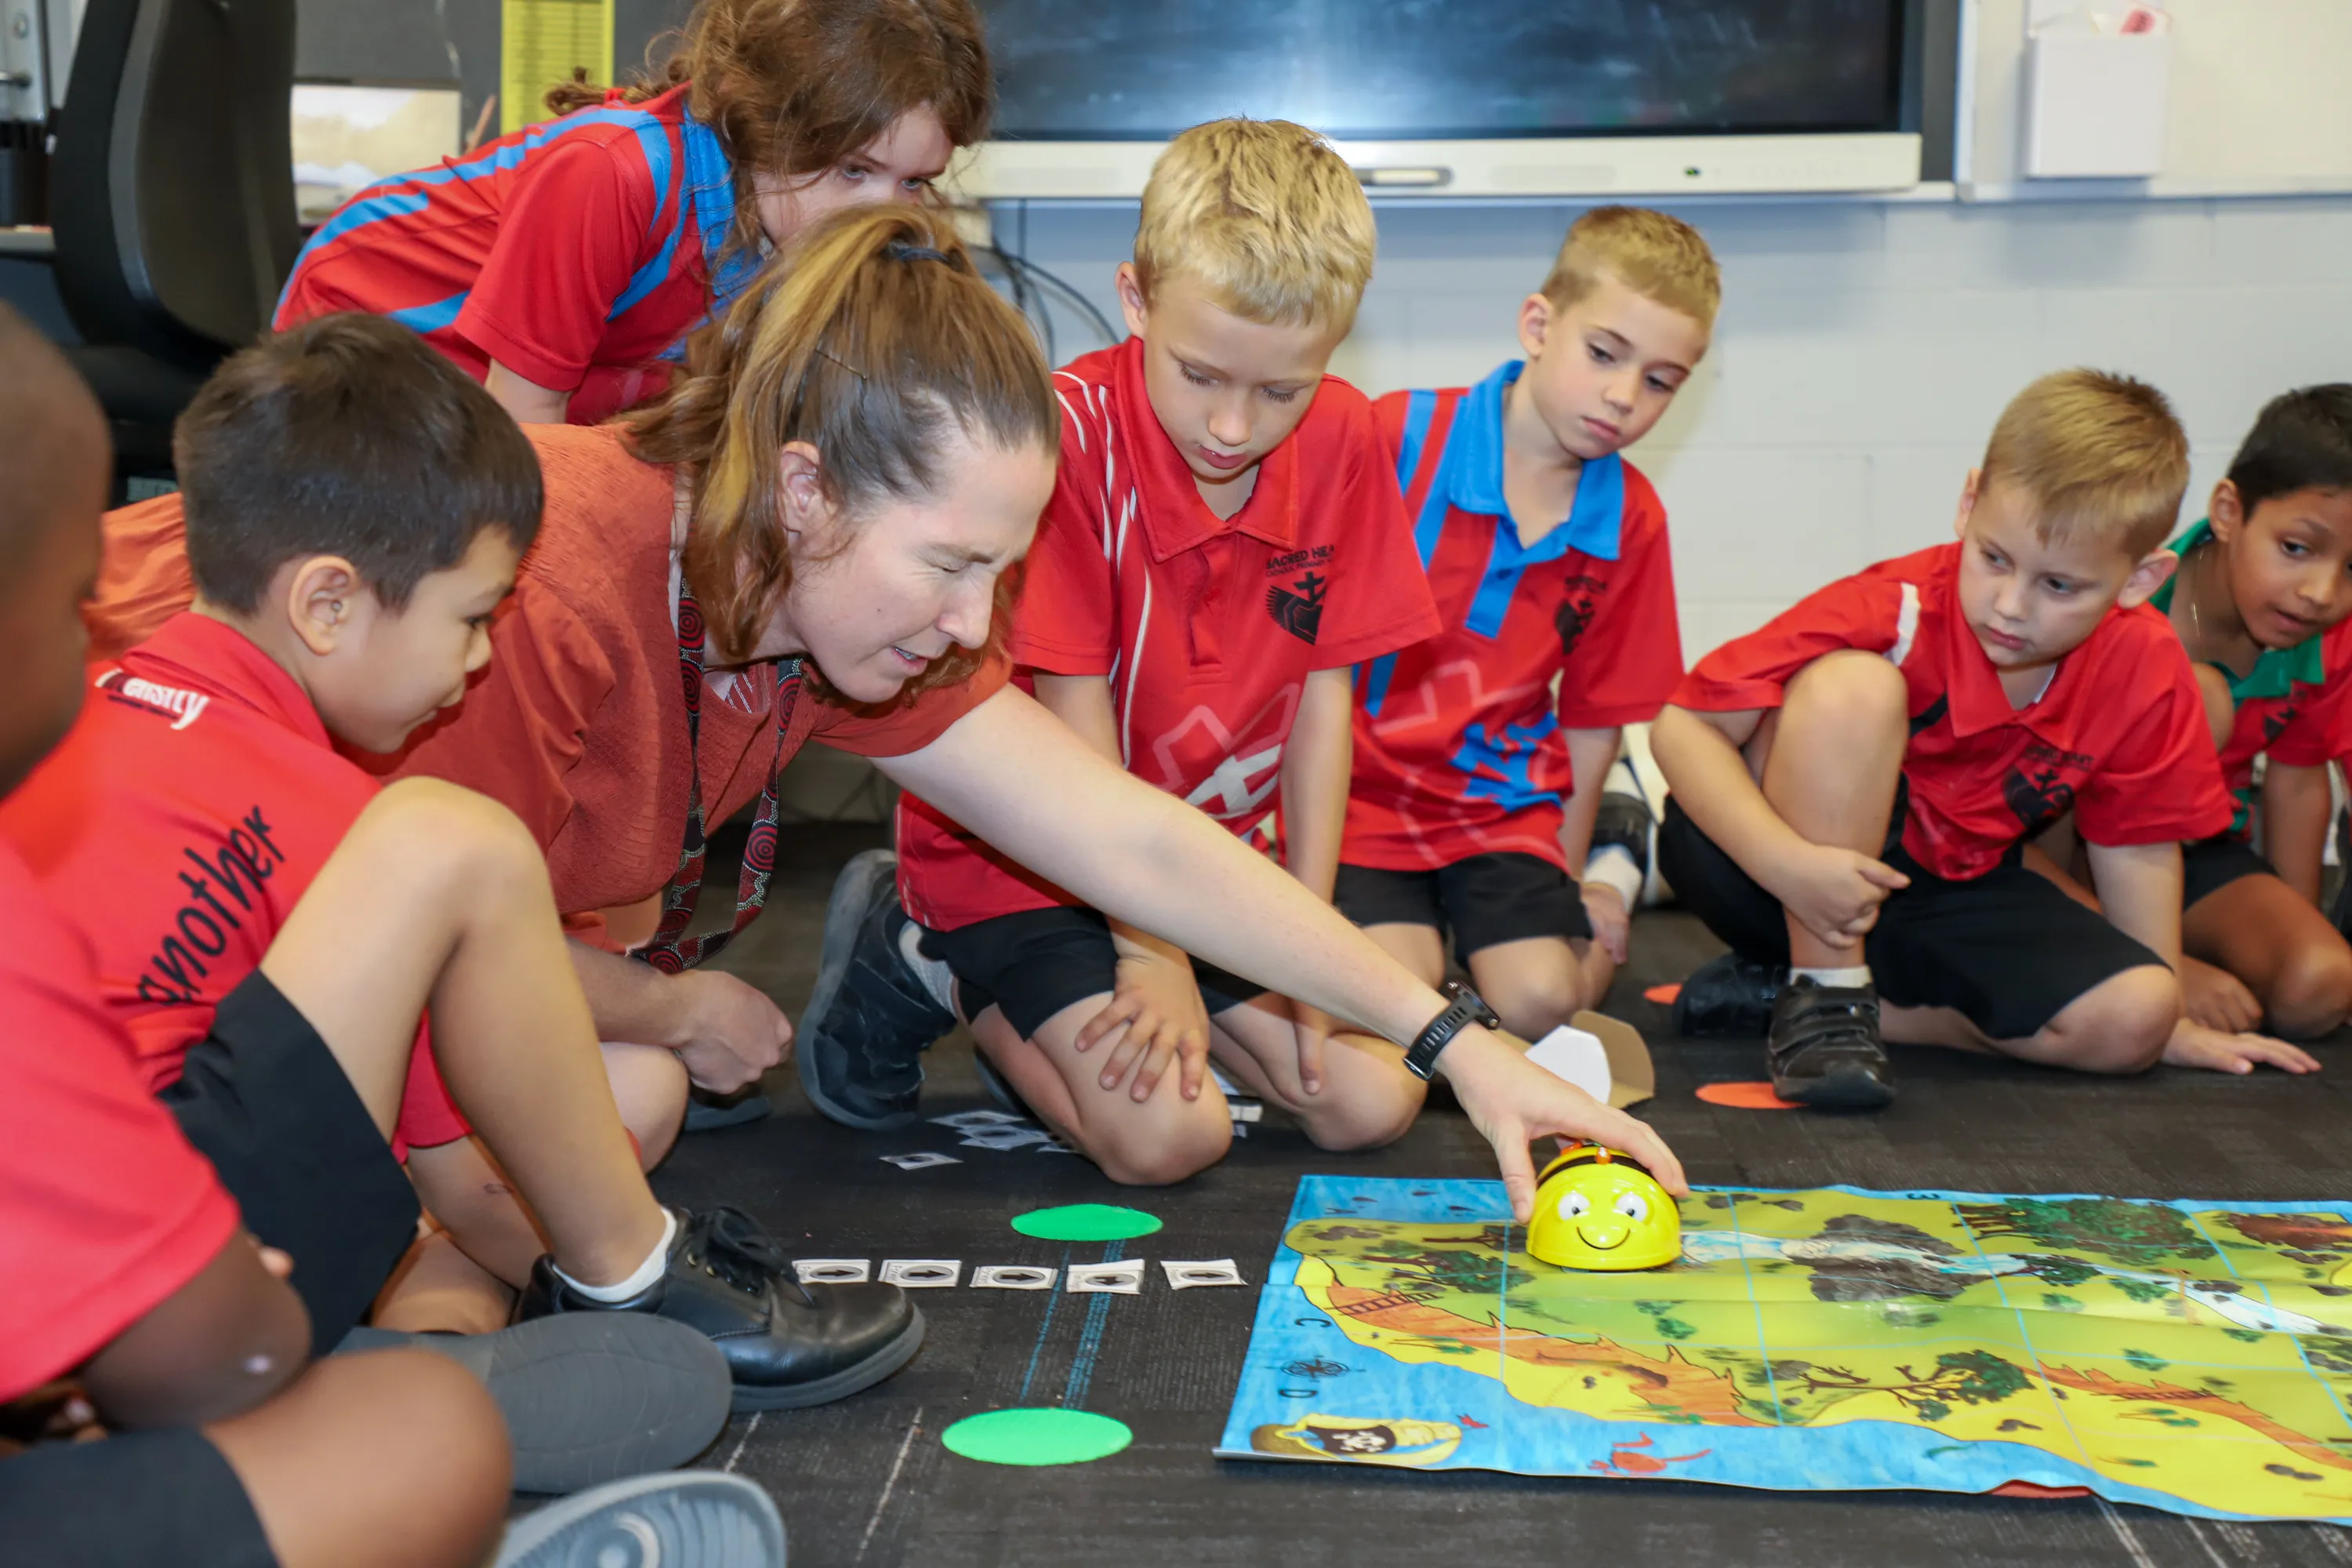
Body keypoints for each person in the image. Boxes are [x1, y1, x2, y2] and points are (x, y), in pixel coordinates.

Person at [83, 204, 1684, 1219]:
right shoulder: (532, 601)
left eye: (1001, 575)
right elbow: (408, 925)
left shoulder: (826, 591)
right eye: (956, 566)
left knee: (610, 1106)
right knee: (589, 1113)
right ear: (807, 489)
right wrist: (652, 1019)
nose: (977, 625)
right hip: (125, 929)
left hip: (291, 964)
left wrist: (1467, 1051)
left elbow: (1136, 841)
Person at [11, 313, 927, 1433]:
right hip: (171, 1265)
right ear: (327, 603)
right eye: (472, 618)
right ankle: (639, 1280)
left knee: (600, 1103)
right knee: (465, 843)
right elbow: (471, 1181)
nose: (483, 658)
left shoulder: (94, 713)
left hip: (68, 1245)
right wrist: (596, 1269)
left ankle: (429, 1353)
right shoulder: (344, 816)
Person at [810, 118, 1443, 1184]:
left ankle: (1147, 992)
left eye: (1280, 390)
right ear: (1136, 298)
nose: (1234, 426)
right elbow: (1074, 710)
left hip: (1202, 861)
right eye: (1201, 376)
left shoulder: (1345, 440)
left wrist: (1301, 934)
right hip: (1036, 866)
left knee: (1369, 1100)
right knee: (1168, 1140)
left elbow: (1324, 699)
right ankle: (929, 957)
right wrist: (1151, 956)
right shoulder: (1066, 442)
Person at [1649, 368, 2316, 1109]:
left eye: (2059, 586)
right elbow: (1683, 726)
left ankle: (1804, 999)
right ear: (1969, 504)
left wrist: (2169, 1019)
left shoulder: (2147, 665)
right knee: (1852, 688)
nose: (2010, 606)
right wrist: (1792, 866)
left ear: (2137, 581)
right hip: (1771, 870)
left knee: (2134, 1019)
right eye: (1995, 558)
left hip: (1947, 889)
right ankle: (1826, 995)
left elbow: (2138, 849)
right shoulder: (1896, 607)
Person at [1339, 206, 1713, 1042]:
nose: (1624, 397)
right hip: (1357, 796)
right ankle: (1439, 955)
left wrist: (1578, 882)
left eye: (1660, 381)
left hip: (1498, 805)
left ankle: (1619, 859)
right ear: (1539, 324)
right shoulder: (1397, 436)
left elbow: (1592, 721)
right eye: (1604, 354)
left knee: (1545, 1000)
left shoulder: (1633, 521)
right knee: (1391, 996)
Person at [276, 0, 986, 426]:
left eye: (915, 182)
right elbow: (525, 422)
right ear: (759, 119)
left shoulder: (791, 211)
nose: (881, 215)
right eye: (854, 170)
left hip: (562, 378)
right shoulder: (612, 175)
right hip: (375, 330)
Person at [2031, 385, 2352, 1042]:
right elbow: (2038, 812)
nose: (2321, 592)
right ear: (2230, 511)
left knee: (2319, 986)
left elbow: (2295, 780)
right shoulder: (2122, 608)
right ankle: (2114, 953)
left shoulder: (2321, 639)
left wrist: (2294, 925)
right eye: (2296, 548)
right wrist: (2159, 963)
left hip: (2194, 847)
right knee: (2193, 697)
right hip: (2065, 851)